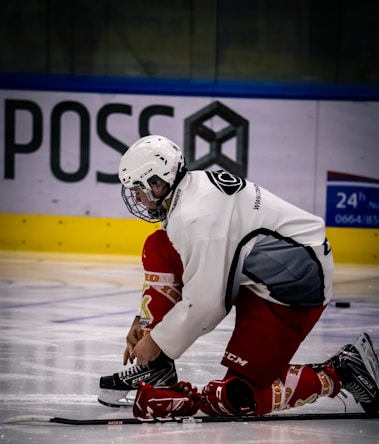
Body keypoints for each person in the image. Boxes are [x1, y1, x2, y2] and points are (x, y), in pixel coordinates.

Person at [98, 135, 379, 418]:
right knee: (160, 247)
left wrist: (157, 341)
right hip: (265, 275)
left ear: (157, 183)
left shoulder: (197, 216)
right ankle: (157, 368)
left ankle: (342, 372)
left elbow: (207, 303)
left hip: (293, 288)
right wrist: (145, 323)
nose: (135, 197)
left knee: (238, 398)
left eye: (138, 189)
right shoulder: (189, 189)